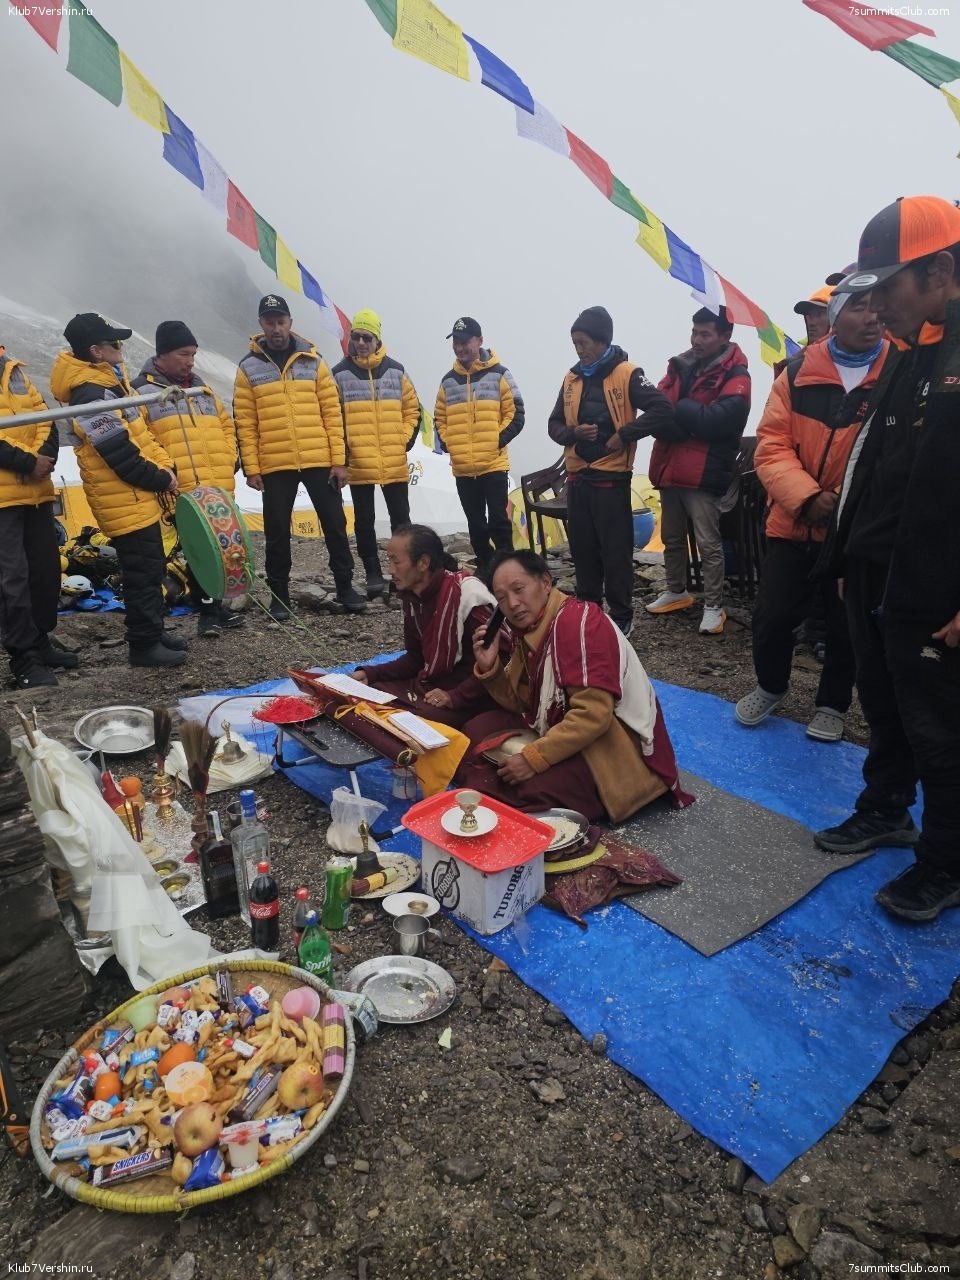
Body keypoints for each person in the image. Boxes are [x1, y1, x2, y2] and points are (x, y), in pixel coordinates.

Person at [814, 194, 960, 923]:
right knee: (883, 701)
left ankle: (946, 863)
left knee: (941, 729)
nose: (875, 308)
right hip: (878, 569)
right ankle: (886, 809)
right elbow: (875, 463)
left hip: (939, 586)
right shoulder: (910, 352)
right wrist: (849, 554)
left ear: (939, 271)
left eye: (887, 288)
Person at [736, 291, 891, 741]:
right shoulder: (798, 371)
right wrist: (807, 498)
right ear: (836, 319)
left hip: (854, 529)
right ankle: (770, 685)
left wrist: (841, 503)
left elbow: (892, 453)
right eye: (858, 307)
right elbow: (772, 445)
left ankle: (832, 704)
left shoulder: (896, 370)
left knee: (846, 624)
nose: (872, 316)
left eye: (877, 306)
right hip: (792, 521)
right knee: (771, 617)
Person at [458, 550, 692, 822]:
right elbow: (522, 703)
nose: (512, 603)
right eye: (501, 598)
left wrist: (534, 758)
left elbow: (592, 716)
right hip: (560, 728)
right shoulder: (530, 628)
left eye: (519, 589)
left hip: (610, 746)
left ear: (546, 582)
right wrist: (490, 668)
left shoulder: (578, 625)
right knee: (473, 731)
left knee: (525, 788)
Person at [50, 313, 184, 668]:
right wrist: (161, 478)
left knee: (152, 568)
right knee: (141, 572)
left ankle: (154, 631)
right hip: (123, 498)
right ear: (96, 351)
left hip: (136, 496)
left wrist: (165, 464)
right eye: (115, 343)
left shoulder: (111, 384)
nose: (120, 348)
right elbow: (120, 456)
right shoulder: (90, 394)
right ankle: (143, 644)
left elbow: (142, 435)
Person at [234, 294, 365, 620]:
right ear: (261, 324)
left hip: (319, 459)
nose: (276, 328)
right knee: (276, 531)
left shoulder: (314, 361)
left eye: (281, 322)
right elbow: (245, 422)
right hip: (275, 462)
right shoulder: (248, 368)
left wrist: (339, 461)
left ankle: (345, 587)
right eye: (270, 322)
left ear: (290, 323)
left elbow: (332, 413)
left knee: (335, 524)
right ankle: (279, 596)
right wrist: (251, 468)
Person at [547, 306, 675, 638]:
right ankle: (589, 611)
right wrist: (574, 433)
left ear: (602, 341)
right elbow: (554, 424)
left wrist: (625, 434)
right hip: (578, 479)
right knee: (583, 549)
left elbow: (662, 409)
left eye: (584, 342)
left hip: (611, 479)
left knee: (615, 551)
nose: (579, 349)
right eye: (575, 343)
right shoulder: (571, 378)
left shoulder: (627, 373)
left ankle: (621, 616)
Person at [645, 307, 751, 635]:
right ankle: (676, 590)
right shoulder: (680, 365)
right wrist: (687, 420)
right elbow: (657, 407)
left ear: (725, 336)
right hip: (671, 465)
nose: (697, 339)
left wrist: (681, 410)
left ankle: (714, 606)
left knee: (708, 542)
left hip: (704, 472)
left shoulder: (737, 375)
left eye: (705, 334)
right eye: (694, 332)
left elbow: (719, 422)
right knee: (671, 536)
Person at [133, 320, 240, 638]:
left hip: (216, 485)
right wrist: (165, 472)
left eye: (193, 354)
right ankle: (208, 613)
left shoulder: (202, 390)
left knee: (220, 549)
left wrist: (229, 456)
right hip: (180, 488)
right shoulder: (141, 392)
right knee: (197, 550)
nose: (190, 361)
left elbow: (226, 425)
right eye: (183, 354)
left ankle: (216, 606)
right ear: (162, 354)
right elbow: (141, 437)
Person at [351, 523, 501, 728]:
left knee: (403, 721)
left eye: (396, 562)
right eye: (389, 561)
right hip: (431, 684)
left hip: (470, 696)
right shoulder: (413, 598)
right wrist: (370, 673)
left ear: (423, 562)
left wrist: (455, 696)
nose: (390, 570)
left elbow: (502, 661)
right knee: (365, 696)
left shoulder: (468, 597)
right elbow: (416, 657)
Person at [0, 345, 76, 688]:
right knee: (11, 579)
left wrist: (43, 458)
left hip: (36, 493)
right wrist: (29, 462)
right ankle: (23, 656)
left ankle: (40, 639)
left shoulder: (14, 370)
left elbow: (44, 418)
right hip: (3, 501)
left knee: (45, 571)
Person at [331, 310, 420, 598]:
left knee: (401, 520)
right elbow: (332, 417)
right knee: (364, 521)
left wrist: (401, 441)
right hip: (359, 461)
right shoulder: (339, 374)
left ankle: (403, 572)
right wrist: (344, 455)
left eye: (366, 338)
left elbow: (413, 410)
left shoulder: (396, 371)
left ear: (377, 340)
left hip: (393, 460)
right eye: (356, 337)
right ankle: (372, 572)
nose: (360, 343)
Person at [434, 317, 524, 574]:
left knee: (499, 521)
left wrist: (495, 441)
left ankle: (507, 569)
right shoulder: (448, 381)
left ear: (480, 340)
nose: (460, 348)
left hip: (493, 464)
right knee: (475, 524)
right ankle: (485, 568)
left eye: (465, 342)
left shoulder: (500, 374)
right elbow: (439, 418)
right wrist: (450, 444)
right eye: (456, 342)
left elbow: (517, 413)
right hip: (463, 467)